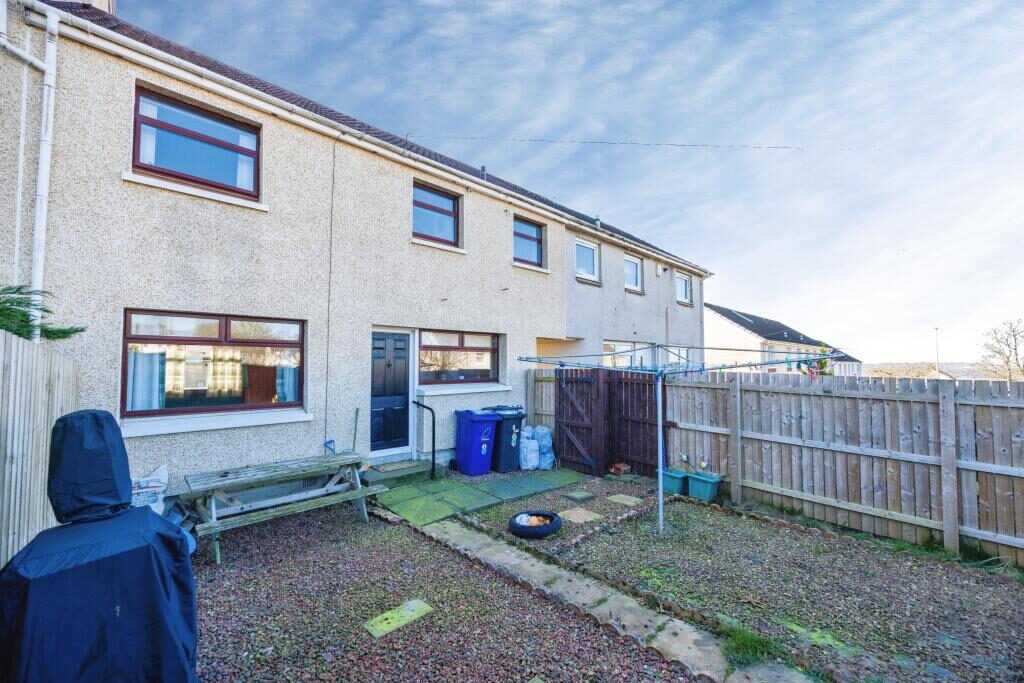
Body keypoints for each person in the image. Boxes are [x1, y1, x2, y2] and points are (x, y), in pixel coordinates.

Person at [0, 410, 197, 682]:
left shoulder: (28, 566)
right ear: (118, 462)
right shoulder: (158, 533)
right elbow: (182, 609)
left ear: (59, 470)